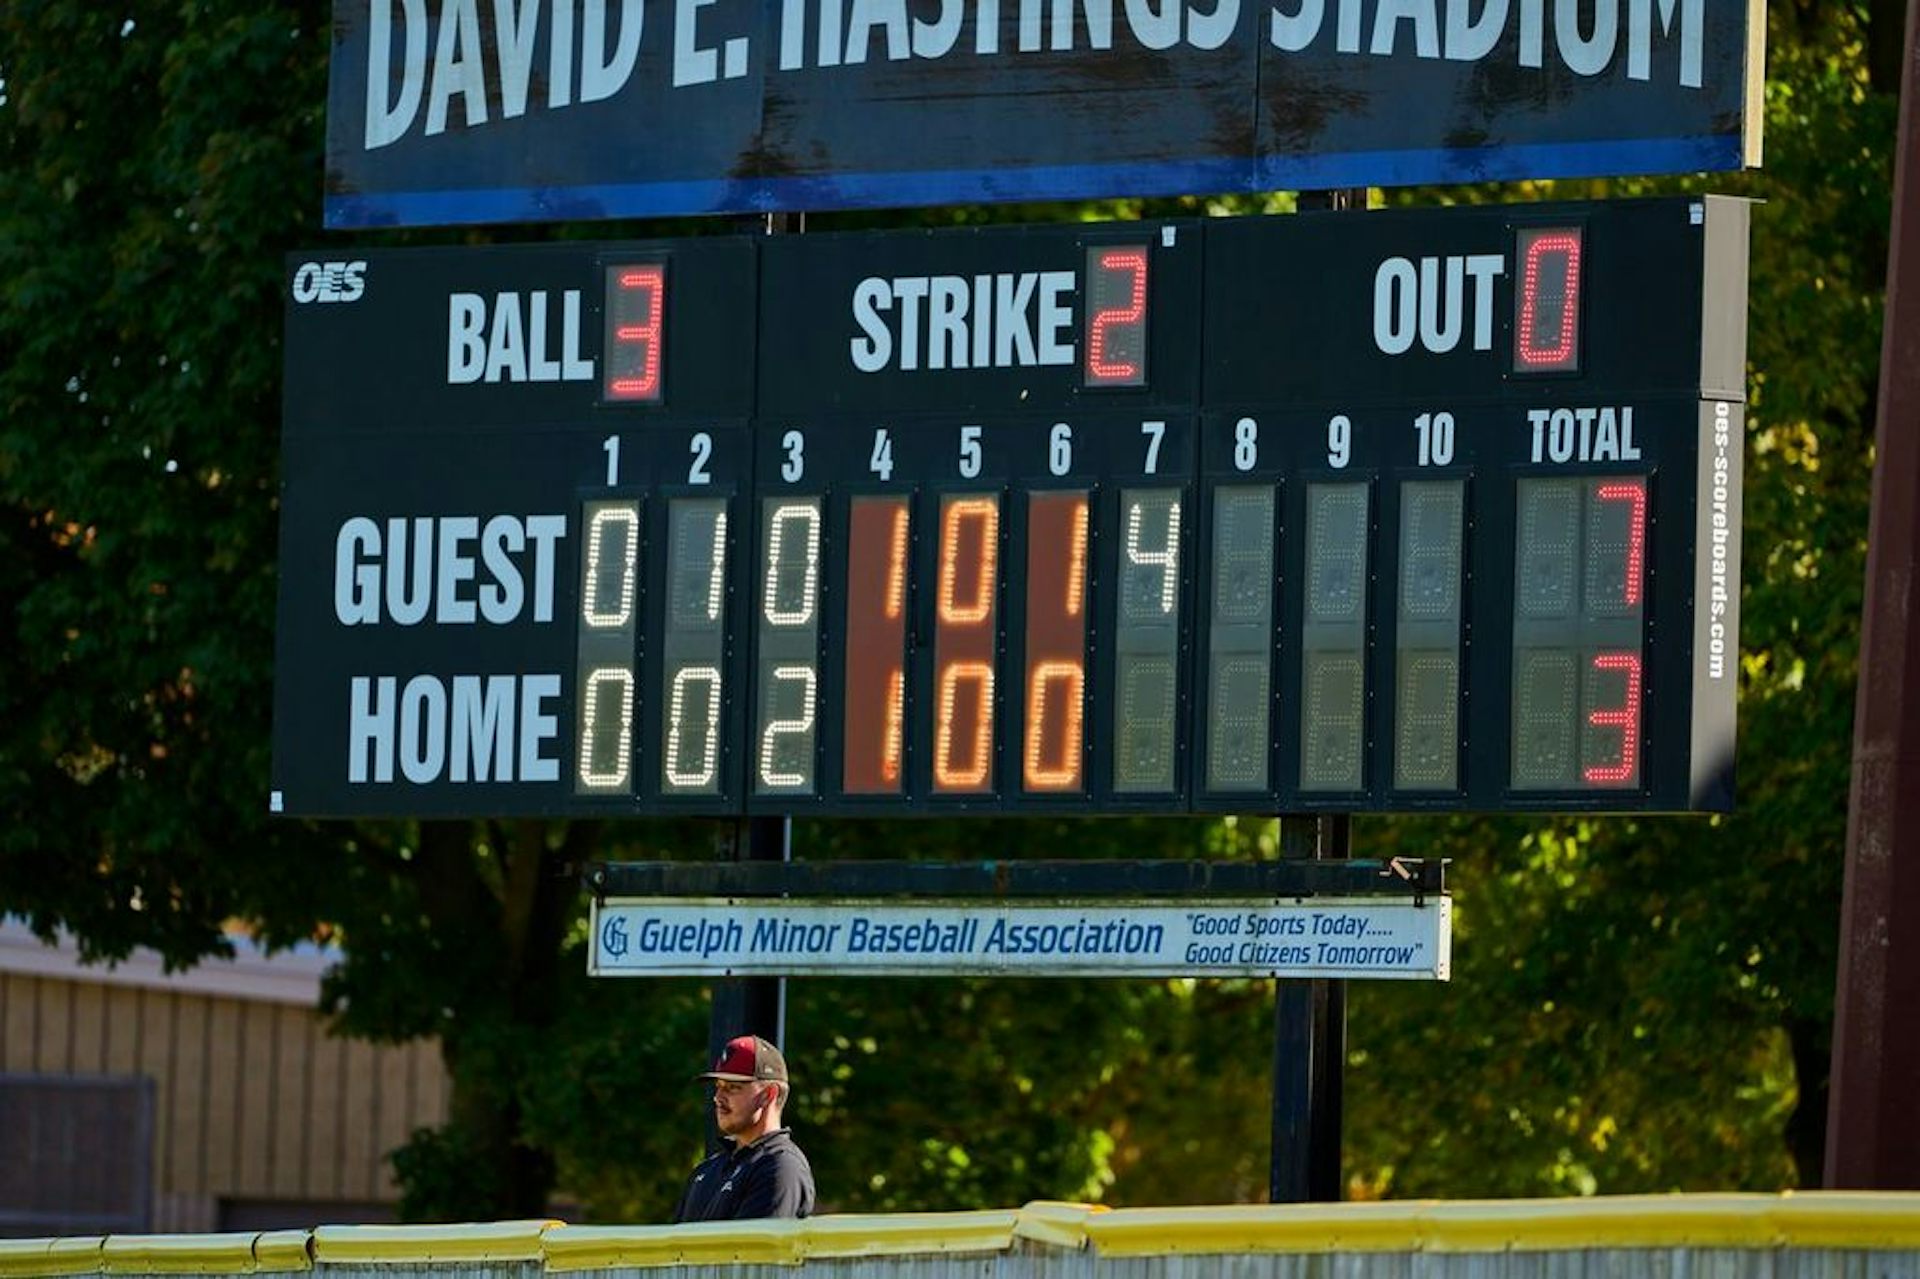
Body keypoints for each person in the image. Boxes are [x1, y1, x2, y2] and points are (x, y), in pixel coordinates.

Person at [672, 1034, 816, 1222]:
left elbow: (752, 1251)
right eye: (718, 1086)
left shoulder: (780, 1167)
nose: (718, 1097)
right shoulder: (706, 1170)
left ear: (768, 1094)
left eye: (732, 1087)